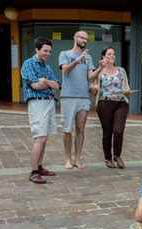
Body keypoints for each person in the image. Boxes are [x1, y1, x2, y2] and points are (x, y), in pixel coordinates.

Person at [59, 31, 104, 169]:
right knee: (67, 129)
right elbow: (65, 70)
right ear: (75, 37)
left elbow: (90, 77)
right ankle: (68, 159)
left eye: (86, 38)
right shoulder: (64, 54)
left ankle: (78, 159)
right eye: (82, 37)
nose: (85, 40)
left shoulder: (88, 57)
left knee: (80, 129)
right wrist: (78, 60)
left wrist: (100, 68)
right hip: (68, 97)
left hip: (83, 98)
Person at [21, 37, 60, 184]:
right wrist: (44, 83)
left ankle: (40, 167)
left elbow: (57, 85)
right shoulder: (28, 64)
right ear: (37, 49)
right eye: (45, 50)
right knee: (41, 137)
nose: (48, 53)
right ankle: (33, 172)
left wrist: (45, 81)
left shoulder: (47, 67)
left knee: (45, 138)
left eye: (50, 51)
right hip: (37, 104)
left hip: (49, 103)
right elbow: (35, 86)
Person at [90, 47, 130, 169]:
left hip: (120, 103)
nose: (112, 56)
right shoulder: (99, 71)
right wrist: (94, 89)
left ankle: (117, 155)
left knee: (118, 130)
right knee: (107, 132)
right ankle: (108, 158)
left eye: (113, 54)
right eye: (109, 54)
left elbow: (126, 86)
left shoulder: (121, 70)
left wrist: (127, 91)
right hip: (104, 103)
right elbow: (91, 84)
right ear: (103, 56)